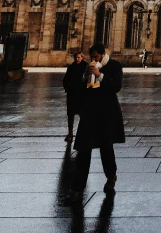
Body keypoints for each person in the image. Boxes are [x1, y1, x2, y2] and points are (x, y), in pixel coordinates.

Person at [69, 43, 125, 203]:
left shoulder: (114, 66)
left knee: (106, 149)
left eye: (96, 57)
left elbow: (116, 86)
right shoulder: (87, 68)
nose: (93, 60)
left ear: (102, 54)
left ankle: (111, 176)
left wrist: (100, 75)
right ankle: (77, 189)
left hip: (106, 115)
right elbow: (80, 88)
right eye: (91, 57)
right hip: (89, 114)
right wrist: (84, 77)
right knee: (83, 151)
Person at [62, 50, 87, 142]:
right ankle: (70, 133)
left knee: (82, 114)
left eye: (79, 57)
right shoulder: (71, 67)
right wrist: (67, 88)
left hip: (82, 93)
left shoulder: (86, 66)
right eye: (76, 57)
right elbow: (65, 79)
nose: (77, 59)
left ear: (82, 57)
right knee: (70, 114)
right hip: (72, 93)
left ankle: (82, 133)